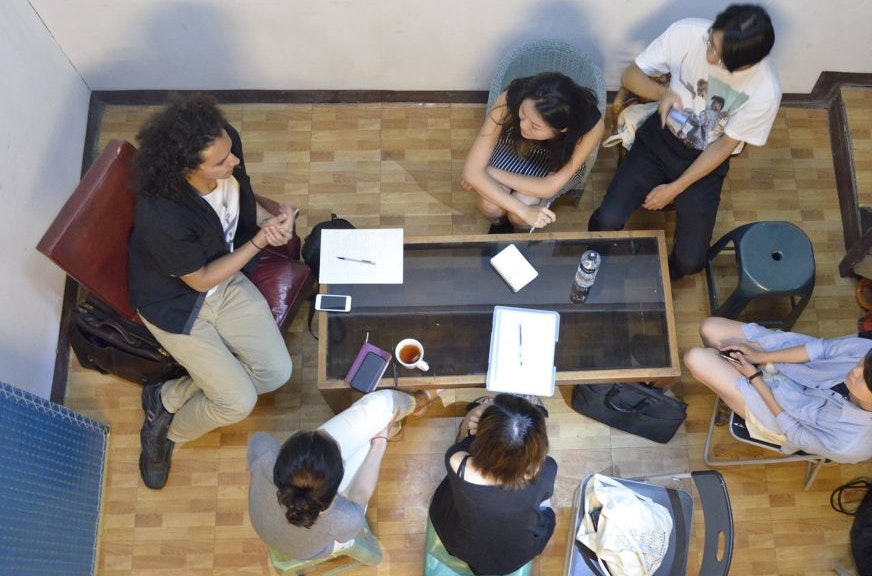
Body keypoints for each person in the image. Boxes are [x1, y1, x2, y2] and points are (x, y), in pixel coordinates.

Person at [130, 94, 298, 489]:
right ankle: (167, 433)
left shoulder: (228, 145)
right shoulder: (162, 214)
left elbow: (241, 201)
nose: (234, 161)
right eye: (221, 162)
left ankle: (167, 396)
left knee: (276, 373)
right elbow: (200, 280)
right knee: (236, 403)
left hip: (224, 278)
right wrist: (259, 243)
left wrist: (270, 222)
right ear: (186, 168)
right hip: (177, 303)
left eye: (229, 152)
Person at [589, 4, 782, 278]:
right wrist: (661, 93)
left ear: (748, 64)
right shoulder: (686, 32)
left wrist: (674, 189)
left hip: (706, 160)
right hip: (660, 140)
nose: (710, 57)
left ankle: (659, 278)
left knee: (691, 262)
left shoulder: (765, 91)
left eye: (721, 57)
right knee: (607, 219)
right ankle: (597, 258)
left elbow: (725, 146)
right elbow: (629, 75)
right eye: (711, 43)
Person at [685, 317, 872, 463]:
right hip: (792, 367)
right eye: (863, 364)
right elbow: (820, 349)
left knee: (696, 358)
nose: (855, 370)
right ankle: (723, 375)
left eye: (865, 379)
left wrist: (755, 377)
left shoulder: (851, 444)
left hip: (781, 413)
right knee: (709, 328)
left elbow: (794, 431)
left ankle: (723, 381)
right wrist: (762, 356)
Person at [248, 389, 435, 561]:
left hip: (267, 526)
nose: (322, 432)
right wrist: (379, 444)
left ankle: (399, 419)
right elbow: (360, 495)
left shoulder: (265, 454)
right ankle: (410, 409)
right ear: (337, 488)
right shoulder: (345, 519)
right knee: (368, 444)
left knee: (371, 433)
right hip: (316, 549)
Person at [428, 394, 556, 574]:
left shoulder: (457, 462)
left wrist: (478, 412)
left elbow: (464, 437)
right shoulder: (546, 469)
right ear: (538, 445)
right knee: (544, 507)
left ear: (484, 437)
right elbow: (542, 493)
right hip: (516, 555)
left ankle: (482, 408)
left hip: (462, 545)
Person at [462, 72, 604, 233]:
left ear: (563, 129)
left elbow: (549, 187)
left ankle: (518, 228)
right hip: (515, 145)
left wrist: (487, 172)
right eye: (522, 115)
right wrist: (522, 210)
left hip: (557, 160)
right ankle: (500, 225)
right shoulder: (510, 98)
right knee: (490, 204)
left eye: (535, 126)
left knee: (522, 207)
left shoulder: (591, 126)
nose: (523, 126)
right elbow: (471, 173)